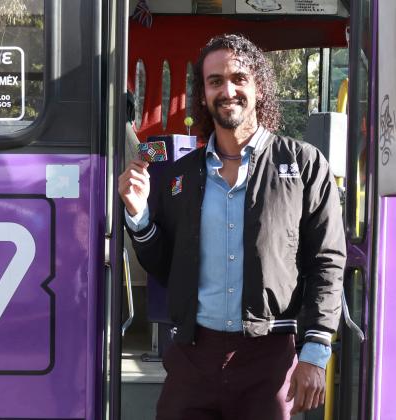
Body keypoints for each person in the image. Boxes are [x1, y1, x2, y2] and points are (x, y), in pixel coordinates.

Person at [118, 34, 345, 419]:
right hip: (192, 358)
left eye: (239, 78)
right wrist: (139, 216)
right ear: (203, 95)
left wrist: (315, 351)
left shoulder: (304, 165)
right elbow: (164, 265)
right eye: (215, 81)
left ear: (259, 86)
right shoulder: (180, 175)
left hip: (269, 360)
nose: (228, 90)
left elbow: (327, 263)